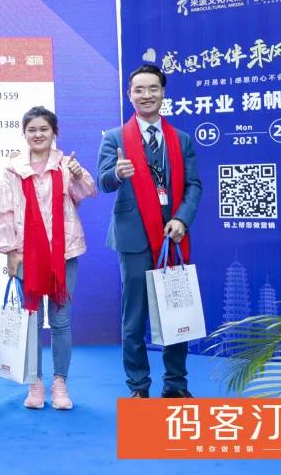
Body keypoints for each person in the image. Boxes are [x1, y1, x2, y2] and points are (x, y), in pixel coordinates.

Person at [97, 64, 202, 399]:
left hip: (173, 237)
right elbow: (103, 183)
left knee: (177, 312)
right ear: (129, 95)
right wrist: (117, 173)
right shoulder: (115, 138)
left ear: (163, 93)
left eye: (153, 89)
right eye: (139, 90)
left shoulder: (180, 139)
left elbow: (194, 185)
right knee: (134, 317)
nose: (146, 95)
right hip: (134, 239)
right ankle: (139, 387)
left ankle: (176, 384)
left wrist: (182, 219)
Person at [0, 106, 96, 410]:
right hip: (28, 255)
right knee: (32, 321)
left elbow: (87, 191)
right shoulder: (12, 170)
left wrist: (78, 174)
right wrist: (10, 250)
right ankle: (34, 382)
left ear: (55, 133)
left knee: (61, 321)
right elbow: (1, 212)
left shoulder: (66, 165)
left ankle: (60, 382)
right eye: (32, 130)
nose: (38, 135)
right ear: (24, 134)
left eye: (44, 129)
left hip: (64, 253)